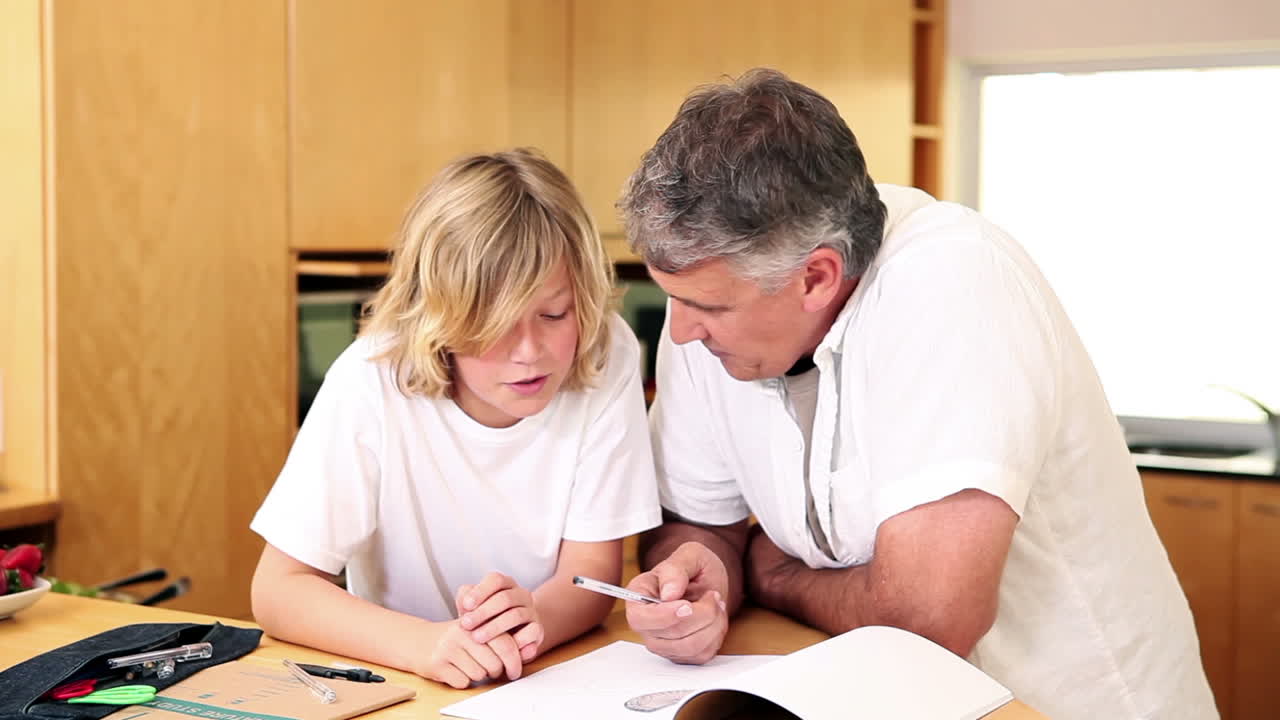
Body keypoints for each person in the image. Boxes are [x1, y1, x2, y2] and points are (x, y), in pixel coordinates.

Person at [618, 69, 1216, 720]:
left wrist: (773, 572)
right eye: (675, 298)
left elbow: (928, 617)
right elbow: (699, 521)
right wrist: (699, 575)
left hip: (1059, 705)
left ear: (816, 278)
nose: (681, 331)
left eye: (708, 307)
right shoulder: (717, 297)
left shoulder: (954, 284)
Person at [250, 149, 661, 689]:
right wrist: (423, 644)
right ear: (439, 315)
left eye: (554, 313)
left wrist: (533, 620)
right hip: (402, 677)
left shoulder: (607, 351)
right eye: (495, 323)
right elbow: (278, 589)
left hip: (535, 676)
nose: (530, 352)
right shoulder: (371, 377)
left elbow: (591, 576)